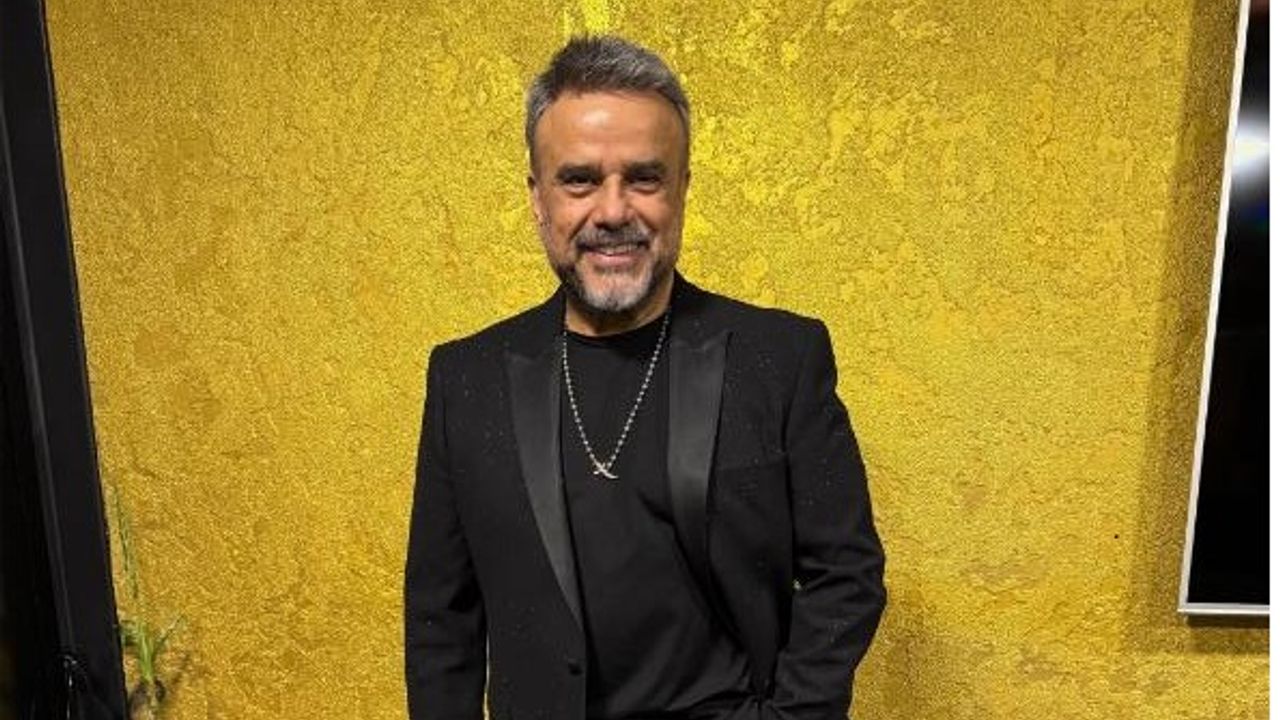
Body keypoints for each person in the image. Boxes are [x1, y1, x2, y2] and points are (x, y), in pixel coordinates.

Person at [405, 35, 886, 720]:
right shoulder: (465, 380)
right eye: (579, 180)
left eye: (644, 178)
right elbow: (440, 621)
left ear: (682, 188)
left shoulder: (781, 358)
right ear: (538, 197)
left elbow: (848, 574)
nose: (612, 211)